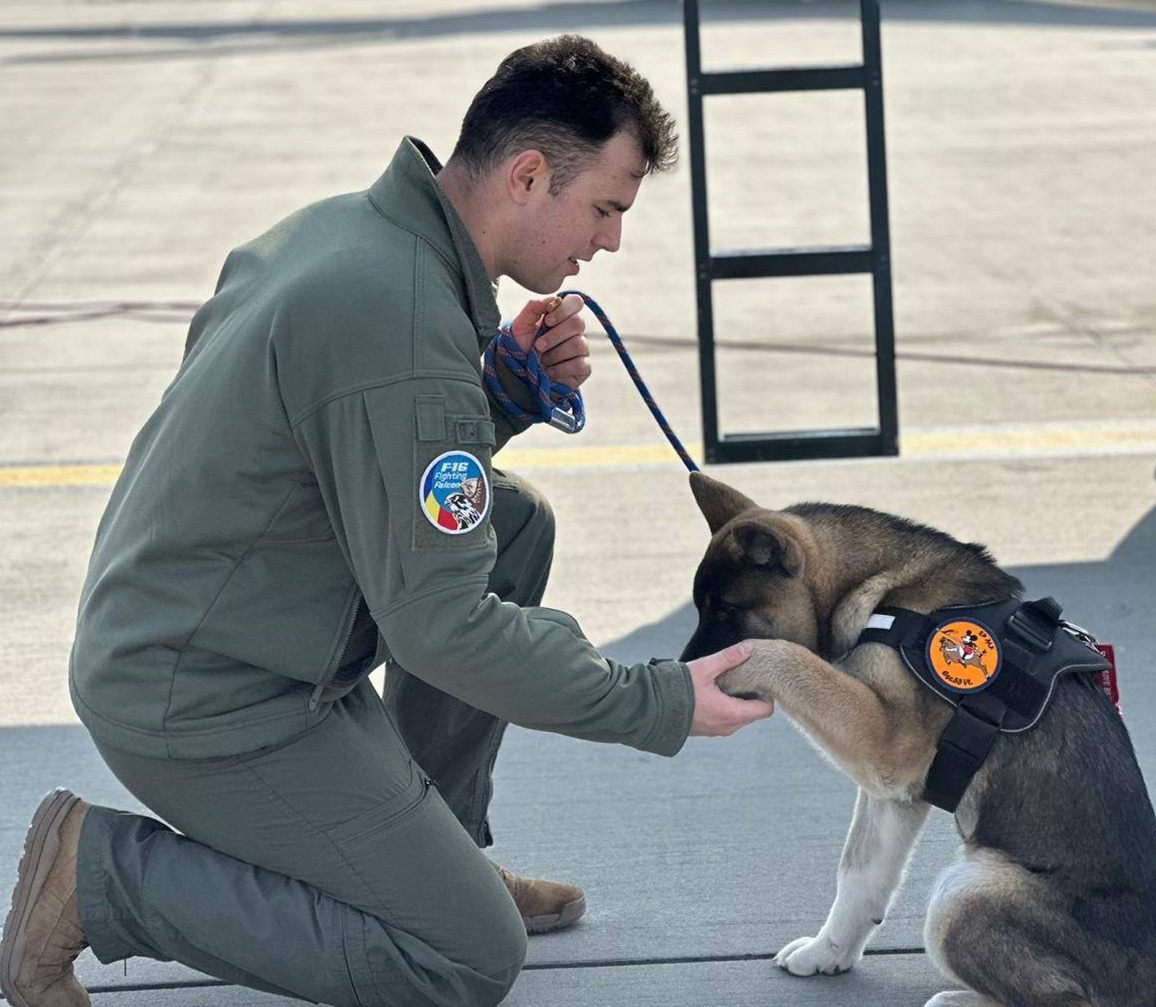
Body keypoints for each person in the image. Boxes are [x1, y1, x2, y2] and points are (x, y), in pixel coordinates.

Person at [0, 34, 773, 1007]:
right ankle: (97, 877)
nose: (611, 239)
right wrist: (656, 699)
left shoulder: (352, 236)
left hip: (205, 635)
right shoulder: (403, 319)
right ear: (529, 175)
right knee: (465, 957)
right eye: (607, 207)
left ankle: (428, 853)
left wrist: (492, 398)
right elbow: (441, 624)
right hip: (206, 701)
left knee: (515, 523)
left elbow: (359, 456)